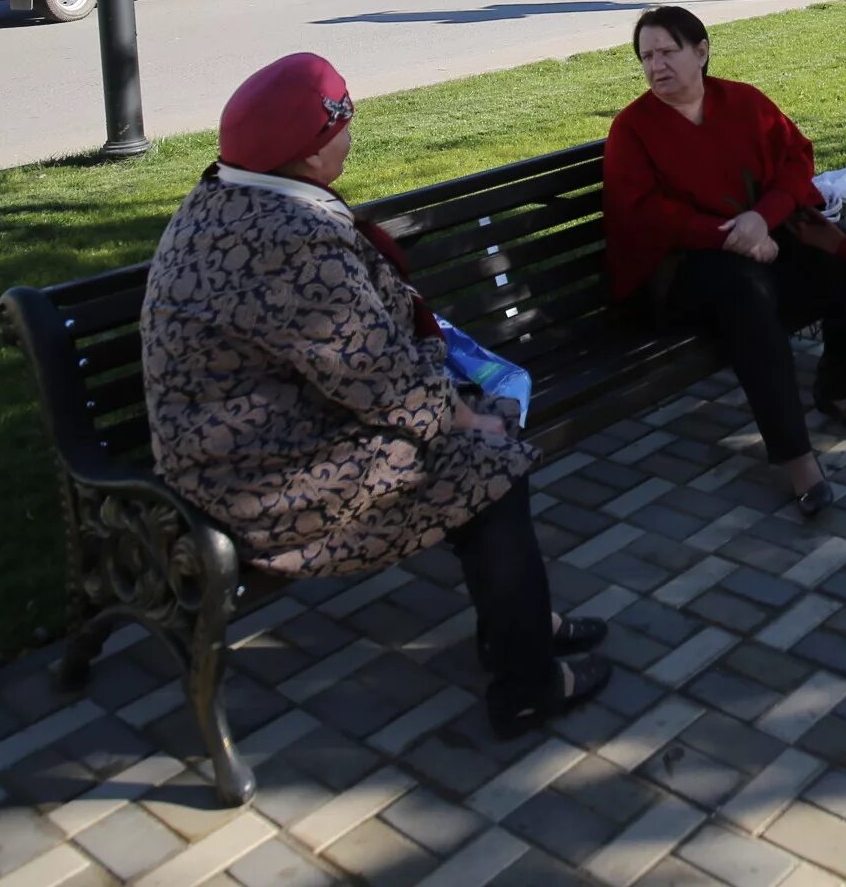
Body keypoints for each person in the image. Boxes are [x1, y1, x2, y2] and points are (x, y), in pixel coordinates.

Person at [143, 54, 609, 733]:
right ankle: (528, 681)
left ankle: (522, 627)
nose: (353, 130)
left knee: (479, 440)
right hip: (259, 478)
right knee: (492, 463)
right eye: (344, 120)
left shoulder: (233, 194)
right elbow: (383, 380)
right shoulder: (290, 242)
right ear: (307, 153)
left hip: (265, 433)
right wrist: (465, 416)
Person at [604, 7, 846, 520]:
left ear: (702, 51)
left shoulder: (743, 102)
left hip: (763, 235)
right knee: (749, 301)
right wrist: (739, 235)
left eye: (667, 51)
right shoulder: (633, 128)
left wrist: (763, 218)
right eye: (646, 57)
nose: (656, 66)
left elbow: (796, 158)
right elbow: (645, 213)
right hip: (682, 270)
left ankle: (835, 387)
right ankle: (798, 459)